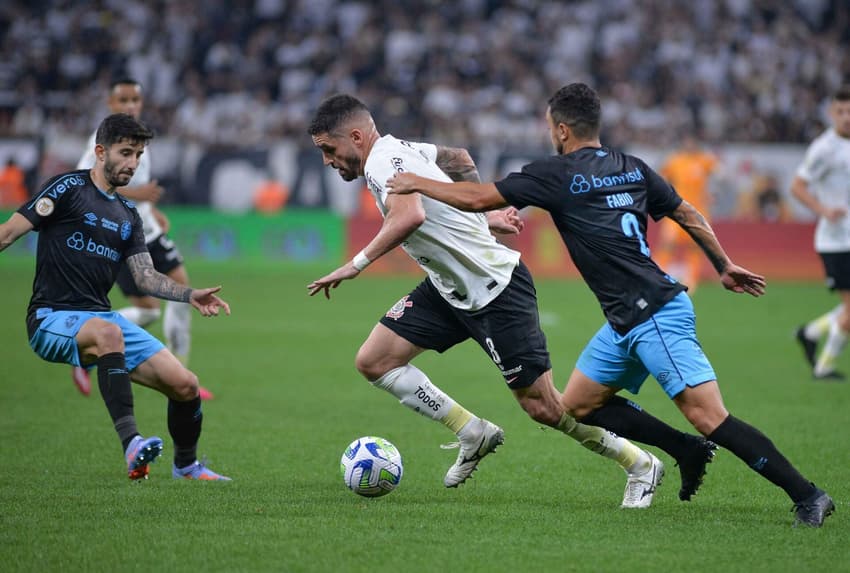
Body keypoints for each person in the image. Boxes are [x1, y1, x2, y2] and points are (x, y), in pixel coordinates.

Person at [386, 82, 834, 527]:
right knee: (579, 404)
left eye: (549, 128)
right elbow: (689, 214)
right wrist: (724, 265)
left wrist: (415, 182)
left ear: (561, 130)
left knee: (708, 415)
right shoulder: (632, 168)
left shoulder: (556, 174)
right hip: (625, 319)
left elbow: (479, 198)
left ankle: (808, 495)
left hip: (655, 313)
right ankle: (684, 449)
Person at [307, 94, 716, 508]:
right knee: (375, 360)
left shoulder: (380, 163)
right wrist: (484, 218)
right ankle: (472, 431)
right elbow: (459, 158)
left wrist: (355, 265)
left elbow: (410, 215)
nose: (328, 159)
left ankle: (641, 463)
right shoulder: (401, 148)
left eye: (329, 149)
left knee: (545, 406)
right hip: (448, 288)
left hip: (495, 288)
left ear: (356, 136)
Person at [0, 113, 230, 481]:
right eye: (126, 153)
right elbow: (8, 233)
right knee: (109, 335)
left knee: (186, 385)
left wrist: (190, 295)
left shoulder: (127, 215)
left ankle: (186, 466)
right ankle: (132, 444)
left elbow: (145, 277)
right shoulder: (66, 188)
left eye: (138, 156)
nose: (133, 164)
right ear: (100, 152)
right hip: (50, 318)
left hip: (100, 318)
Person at [71, 78, 214, 401]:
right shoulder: (100, 141)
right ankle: (83, 342)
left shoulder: (138, 137)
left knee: (184, 295)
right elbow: (88, 183)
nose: (131, 105)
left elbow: (135, 185)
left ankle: (182, 375)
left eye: (135, 99)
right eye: (123, 100)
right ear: (111, 104)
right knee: (149, 310)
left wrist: (151, 207)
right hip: (122, 238)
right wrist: (140, 194)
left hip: (149, 231)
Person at [791, 85, 850, 381]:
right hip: (836, 241)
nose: (846, 117)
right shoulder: (824, 148)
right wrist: (824, 210)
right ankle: (823, 366)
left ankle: (810, 333)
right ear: (831, 113)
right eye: (841, 111)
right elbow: (797, 187)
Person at [654, 134, 719, 291]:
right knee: (668, 243)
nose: (689, 145)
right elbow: (660, 178)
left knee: (696, 245)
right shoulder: (675, 161)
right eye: (687, 142)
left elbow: (719, 177)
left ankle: (692, 279)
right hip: (677, 208)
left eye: (692, 142)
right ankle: (658, 274)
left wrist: (713, 193)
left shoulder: (705, 160)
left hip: (699, 210)